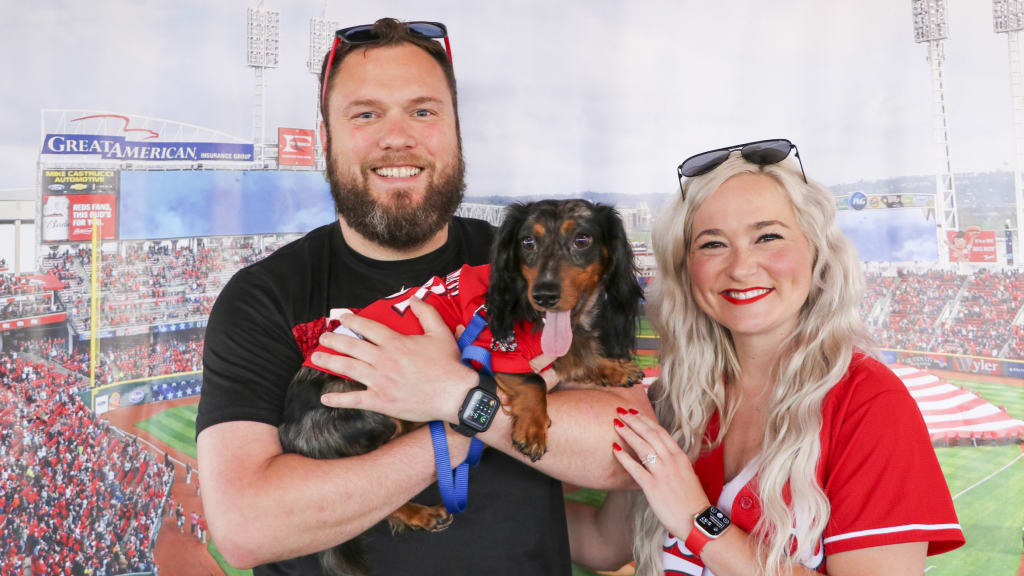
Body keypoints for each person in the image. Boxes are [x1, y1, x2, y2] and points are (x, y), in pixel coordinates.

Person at [196, 17, 649, 575]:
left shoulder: (528, 265)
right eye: (365, 113)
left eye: (423, 110)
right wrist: (461, 421)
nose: (397, 137)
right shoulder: (262, 297)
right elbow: (245, 529)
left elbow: (625, 451)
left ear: (455, 130)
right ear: (325, 138)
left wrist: (455, 394)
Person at [567, 142, 964, 575]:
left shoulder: (868, 404)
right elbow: (603, 542)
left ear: (817, 251)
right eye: (713, 244)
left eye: (768, 236)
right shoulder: (675, 397)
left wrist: (697, 519)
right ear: (686, 269)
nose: (741, 267)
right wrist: (484, 426)